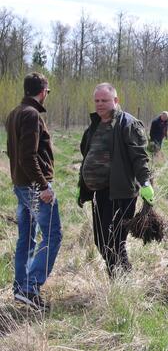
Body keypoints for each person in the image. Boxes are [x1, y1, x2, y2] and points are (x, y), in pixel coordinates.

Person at [78, 83, 153, 278]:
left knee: (113, 241)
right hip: (99, 193)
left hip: (120, 193)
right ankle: (122, 276)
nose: (100, 104)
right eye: (97, 101)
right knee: (100, 240)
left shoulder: (127, 124)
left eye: (104, 100)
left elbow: (140, 157)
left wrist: (145, 183)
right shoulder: (95, 125)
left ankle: (121, 279)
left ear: (116, 101)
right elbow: (86, 153)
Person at [5, 72, 62, 309]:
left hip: (21, 185)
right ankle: (30, 287)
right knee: (53, 234)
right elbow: (28, 157)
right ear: (42, 92)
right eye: (47, 92)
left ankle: (21, 288)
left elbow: (15, 153)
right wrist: (43, 186)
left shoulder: (14, 113)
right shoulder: (31, 115)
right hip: (33, 187)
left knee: (26, 238)